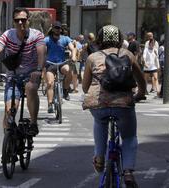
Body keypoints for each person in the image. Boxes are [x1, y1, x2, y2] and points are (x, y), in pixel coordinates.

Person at [82, 25, 146, 186]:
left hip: (99, 104)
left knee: (100, 121)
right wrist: (139, 94)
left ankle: (99, 157)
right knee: (130, 136)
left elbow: (84, 87)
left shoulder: (93, 57)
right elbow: (141, 81)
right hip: (123, 104)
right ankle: (128, 171)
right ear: (119, 39)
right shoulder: (128, 55)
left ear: (99, 40)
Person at [0, 7, 45, 136]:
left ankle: (34, 123)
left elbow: (42, 52)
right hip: (13, 76)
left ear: (28, 20)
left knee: (30, 88)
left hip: (31, 74)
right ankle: (8, 142)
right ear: (13, 21)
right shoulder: (8, 35)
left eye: (23, 20)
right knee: (9, 111)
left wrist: (39, 70)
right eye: (17, 20)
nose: (20, 23)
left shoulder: (36, 35)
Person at [44, 21, 77, 113]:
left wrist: (74, 56)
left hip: (62, 63)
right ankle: (50, 104)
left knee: (68, 70)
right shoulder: (47, 39)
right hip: (50, 64)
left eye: (59, 28)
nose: (58, 30)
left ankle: (65, 90)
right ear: (52, 29)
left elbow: (72, 48)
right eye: (56, 28)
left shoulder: (65, 38)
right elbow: (42, 49)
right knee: (50, 83)